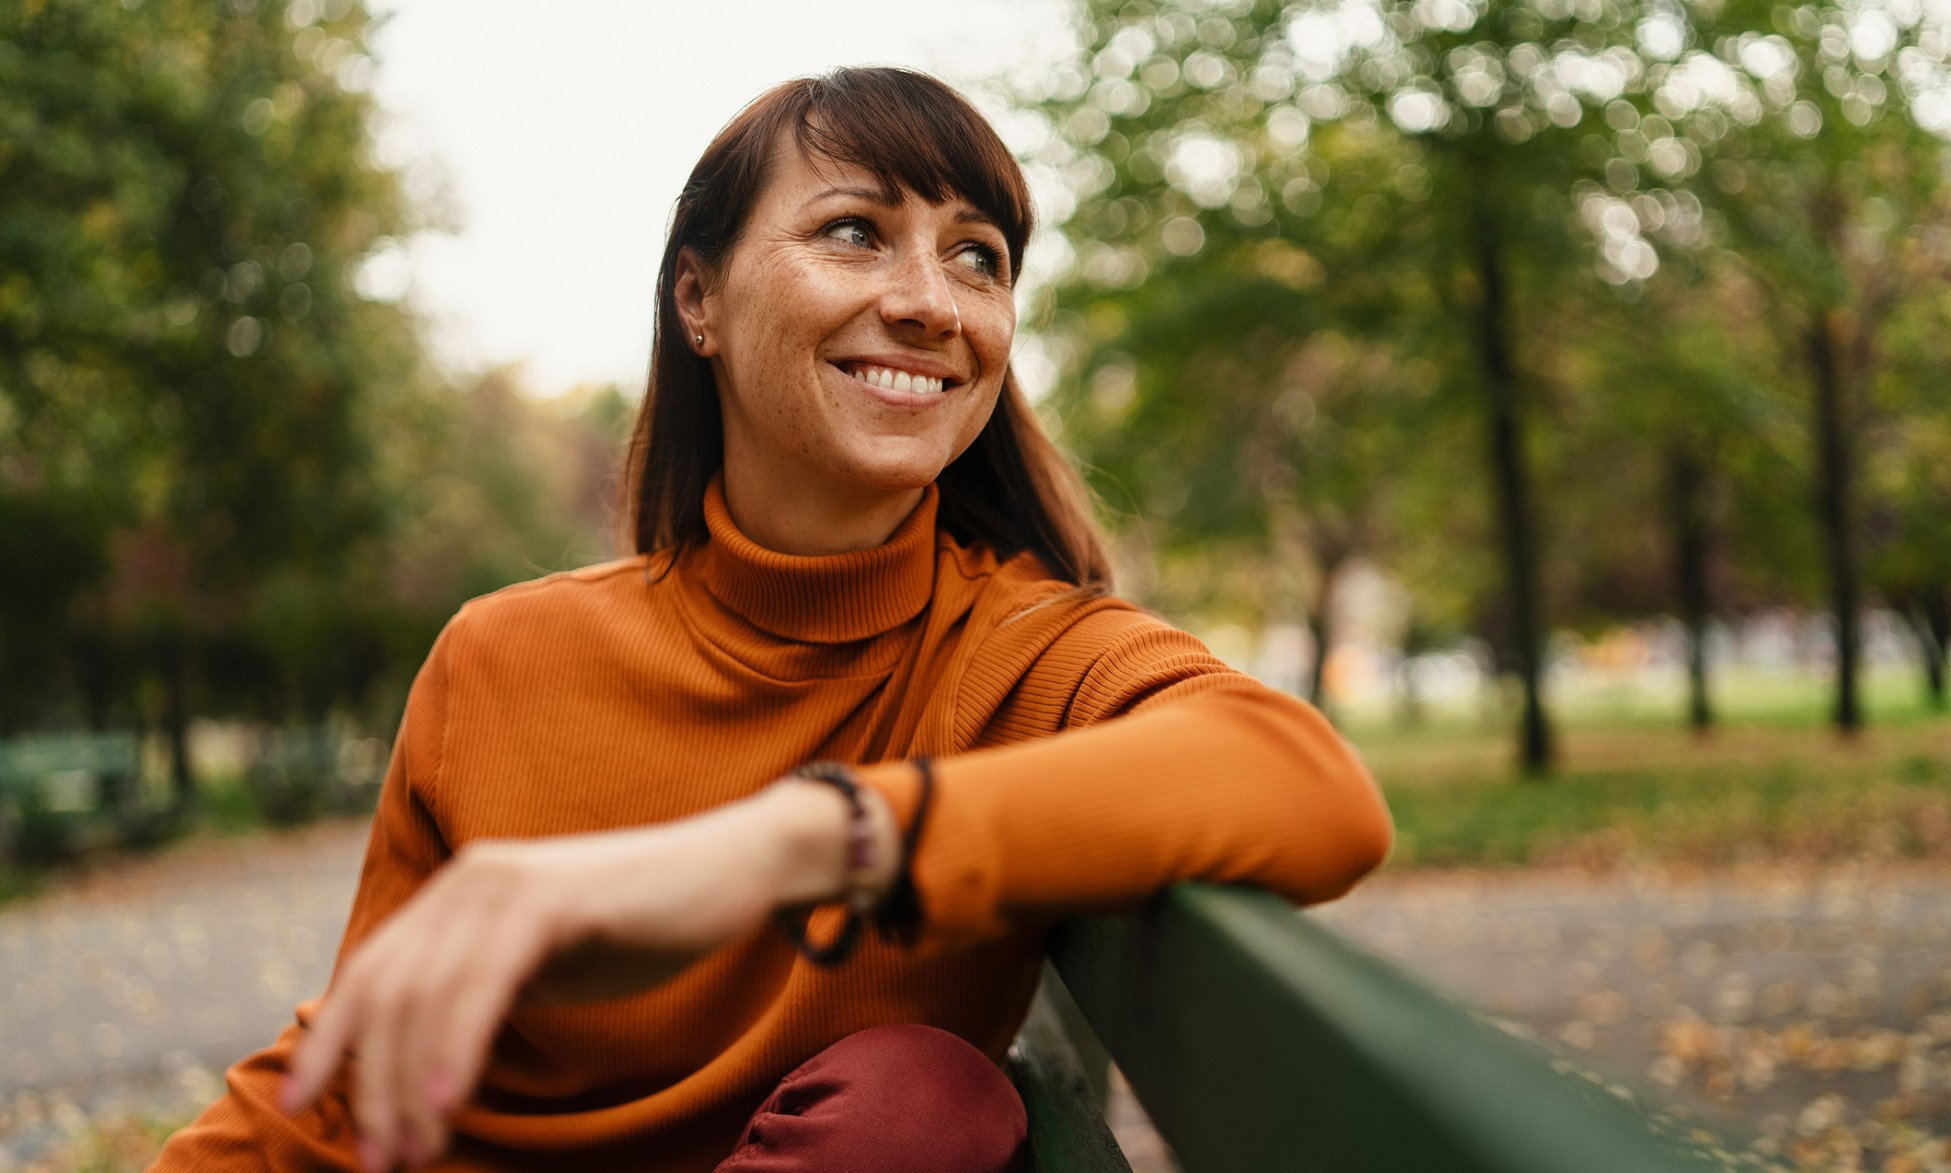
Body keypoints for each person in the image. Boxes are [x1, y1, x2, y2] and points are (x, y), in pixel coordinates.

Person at [148, 65, 1394, 1173]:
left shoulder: (1020, 653)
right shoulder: (500, 659)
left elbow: (1310, 787)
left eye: (978, 256)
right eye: (855, 232)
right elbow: (349, 1079)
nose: (933, 302)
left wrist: (792, 844)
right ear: (698, 299)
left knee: (922, 1099)